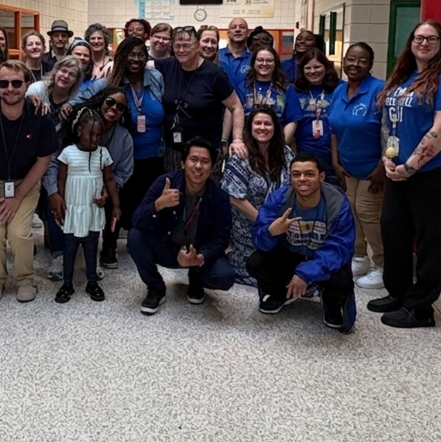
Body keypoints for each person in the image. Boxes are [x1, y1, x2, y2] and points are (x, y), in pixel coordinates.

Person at [369, 20, 441, 329]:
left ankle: (421, 307)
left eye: (431, 39)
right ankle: (398, 292)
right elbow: (391, 121)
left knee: (430, 235)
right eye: (418, 38)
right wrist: (390, 161)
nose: (423, 43)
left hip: (436, 170)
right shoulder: (403, 76)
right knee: (393, 228)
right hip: (399, 168)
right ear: (410, 42)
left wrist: (412, 165)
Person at [0, 60, 58, 303]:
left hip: (25, 183)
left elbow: (43, 159)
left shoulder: (40, 116)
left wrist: (17, 197)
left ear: (27, 84)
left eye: (17, 83)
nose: (10, 88)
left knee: (18, 232)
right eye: (4, 83)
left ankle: (25, 280)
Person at [79, 37, 165, 269]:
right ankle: (109, 246)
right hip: (121, 153)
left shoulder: (155, 78)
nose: (135, 59)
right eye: (130, 54)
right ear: (121, 57)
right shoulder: (111, 81)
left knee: (148, 203)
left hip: (154, 155)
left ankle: (143, 244)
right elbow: (82, 99)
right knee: (116, 201)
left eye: (140, 54)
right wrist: (68, 106)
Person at [247, 153, 356, 332]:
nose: (302, 179)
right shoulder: (280, 198)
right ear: (290, 177)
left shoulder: (337, 203)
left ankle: (331, 301)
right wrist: (271, 232)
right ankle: (280, 293)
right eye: (296, 174)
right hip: (290, 254)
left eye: (309, 174)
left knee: (342, 278)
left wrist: (307, 273)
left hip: (321, 256)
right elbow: (258, 239)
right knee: (255, 263)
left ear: (321, 177)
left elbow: (340, 247)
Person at [128, 138, 235, 315]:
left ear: (213, 167)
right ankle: (156, 288)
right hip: (168, 247)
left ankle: (196, 279)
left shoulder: (219, 197)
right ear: (183, 163)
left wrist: (200, 258)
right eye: (193, 159)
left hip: (198, 251)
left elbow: (220, 239)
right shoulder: (165, 183)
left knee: (225, 277)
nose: (198, 166)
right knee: (135, 236)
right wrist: (158, 204)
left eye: (205, 161)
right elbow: (136, 219)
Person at [329, 42, 387, 290]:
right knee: (351, 212)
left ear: (371, 65)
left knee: (368, 214)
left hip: (373, 169)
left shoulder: (380, 90)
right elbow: (333, 129)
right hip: (347, 167)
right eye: (351, 59)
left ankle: (383, 266)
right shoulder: (339, 90)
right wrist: (335, 160)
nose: (355, 65)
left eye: (362, 60)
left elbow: (391, 131)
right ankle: (360, 257)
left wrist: (383, 165)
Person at [52, 108, 121, 303]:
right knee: (70, 249)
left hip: (92, 210)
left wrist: (115, 205)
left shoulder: (103, 154)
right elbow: (61, 181)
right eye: (91, 134)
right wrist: (61, 203)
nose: (95, 139)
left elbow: (110, 180)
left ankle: (92, 282)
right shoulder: (68, 153)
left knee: (91, 247)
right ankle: (67, 284)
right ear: (79, 130)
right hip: (73, 210)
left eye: (99, 135)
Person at [154, 26, 245, 170]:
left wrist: (237, 139)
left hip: (205, 150)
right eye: (177, 46)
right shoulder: (169, 65)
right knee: (175, 189)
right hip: (174, 149)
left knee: (203, 190)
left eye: (186, 46)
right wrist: (112, 62)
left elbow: (236, 107)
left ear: (197, 47)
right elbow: (143, 64)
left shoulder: (214, 73)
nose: (181, 50)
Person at [26, 56, 85, 280]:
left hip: (58, 157)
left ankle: (60, 254)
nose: (65, 76)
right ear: (56, 71)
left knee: (56, 199)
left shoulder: (76, 99)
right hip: (30, 154)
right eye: (63, 71)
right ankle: (24, 245)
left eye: (71, 75)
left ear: (76, 80)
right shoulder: (37, 89)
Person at [221, 106, 294, 287]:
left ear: (275, 128)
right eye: (258, 123)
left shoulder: (286, 153)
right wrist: (266, 224)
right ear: (250, 127)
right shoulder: (240, 154)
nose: (262, 128)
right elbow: (234, 198)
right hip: (250, 226)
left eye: (267, 124)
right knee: (260, 269)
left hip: (282, 224)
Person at [284, 48, 339, 183]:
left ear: (326, 67)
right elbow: (291, 121)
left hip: (334, 155)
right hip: (304, 153)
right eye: (307, 68)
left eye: (317, 67)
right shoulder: (294, 90)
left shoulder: (340, 88)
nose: (313, 71)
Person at [243, 46, 288, 120]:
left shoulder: (286, 89)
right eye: (260, 60)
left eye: (269, 60)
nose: (264, 63)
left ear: (275, 63)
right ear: (253, 62)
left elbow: (291, 121)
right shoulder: (242, 86)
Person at [218, 17, 251, 102]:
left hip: (247, 110)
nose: (238, 30)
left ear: (248, 33)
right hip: (219, 109)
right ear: (228, 33)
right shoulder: (216, 56)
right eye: (233, 27)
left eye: (242, 27)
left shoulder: (255, 59)